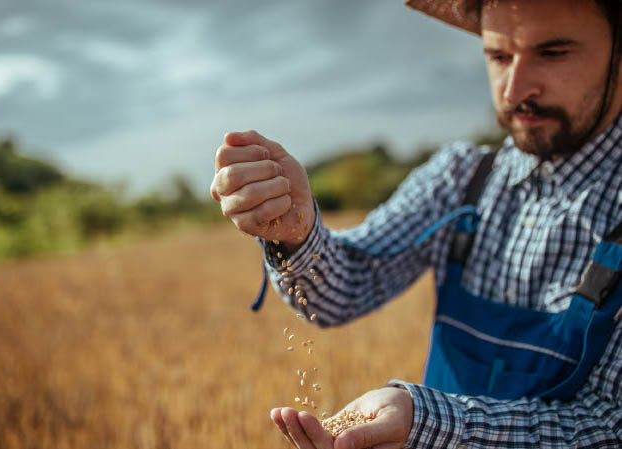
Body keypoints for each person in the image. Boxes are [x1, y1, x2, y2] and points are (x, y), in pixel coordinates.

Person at [210, 0, 622, 447]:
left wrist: (427, 422)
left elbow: (609, 426)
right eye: (499, 56)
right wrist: (295, 233)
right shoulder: (464, 179)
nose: (513, 90)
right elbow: (343, 288)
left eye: (553, 52)